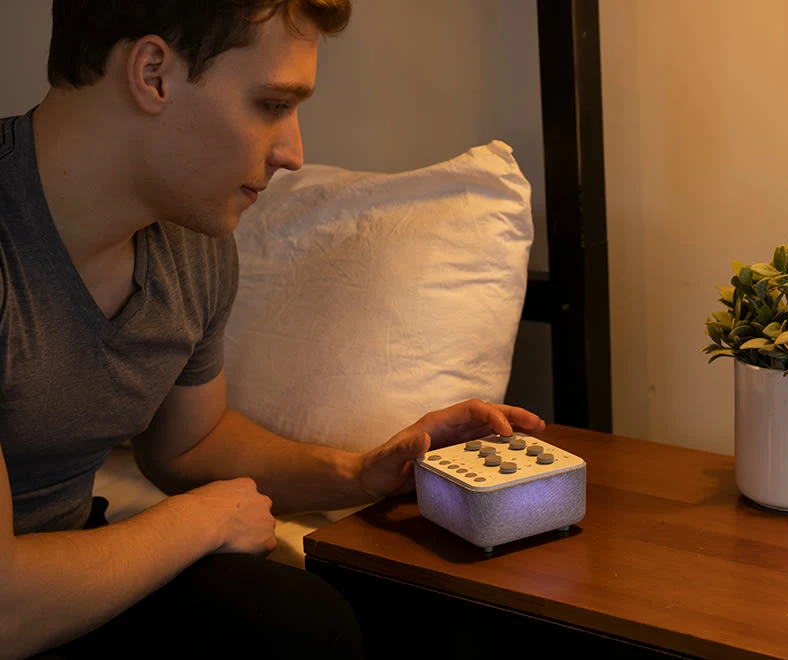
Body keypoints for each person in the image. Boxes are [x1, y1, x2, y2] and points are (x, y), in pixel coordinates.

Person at [0, 1, 546, 658]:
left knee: (309, 623)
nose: (293, 153)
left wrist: (362, 472)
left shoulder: (190, 245)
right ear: (152, 74)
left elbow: (188, 447)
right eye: (271, 105)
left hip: (69, 569)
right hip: (17, 602)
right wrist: (197, 522)